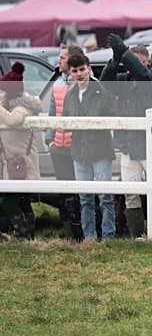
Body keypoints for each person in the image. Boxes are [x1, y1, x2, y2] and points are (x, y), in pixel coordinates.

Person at [100, 35, 152, 239]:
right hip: (128, 145)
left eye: (132, 61)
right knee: (130, 193)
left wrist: (125, 53)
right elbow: (105, 83)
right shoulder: (124, 80)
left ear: (144, 62)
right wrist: (115, 59)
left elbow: (143, 75)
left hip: (150, 146)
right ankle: (138, 235)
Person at [62, 52, 118, 242]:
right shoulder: (70, 94)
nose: (79, 74)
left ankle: (109, 235)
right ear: (70, 72)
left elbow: (113, 115)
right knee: (85, 198)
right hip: (79, 152)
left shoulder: (103, 91)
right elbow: (65, 120)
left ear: (89, 69)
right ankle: (89, 237)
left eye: (82, 69)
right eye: (75, 71)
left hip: (101, 150)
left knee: (105, 196)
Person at [45, 43, 83, 239]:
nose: (58, 61)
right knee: (64, 191)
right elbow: (52, 114)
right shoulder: (58, 83)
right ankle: (68, 231)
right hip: (59, 147)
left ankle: (82, 232)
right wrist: (49, 141)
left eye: (62, 57)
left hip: (78, 148)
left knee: (81, 192)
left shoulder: (85, 83)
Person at [0, 63, 42, 240]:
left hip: (23, 163)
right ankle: (29, 237)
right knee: (23, 202)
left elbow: (13, 120)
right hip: (12, 163)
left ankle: (23, 234)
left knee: (9, 202)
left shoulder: (23, 107)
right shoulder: (8, 106)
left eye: (2, 91)